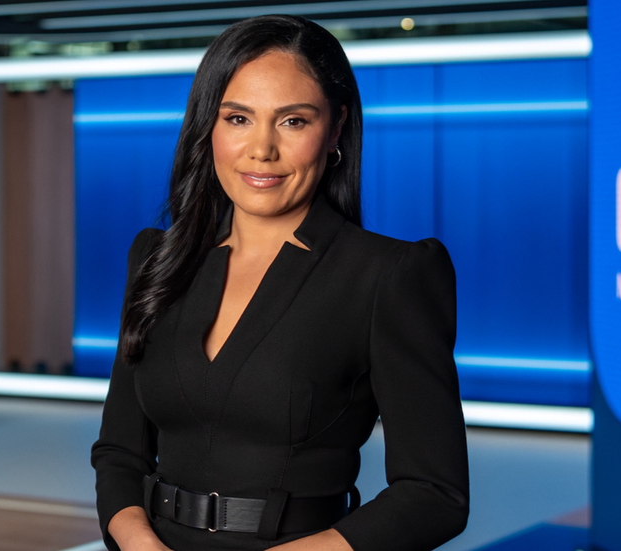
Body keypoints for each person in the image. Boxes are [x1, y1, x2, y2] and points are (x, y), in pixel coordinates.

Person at [91, 14, 469, 551]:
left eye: (292, 121)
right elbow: (119, 452)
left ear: (335, 128)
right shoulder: (156, 257)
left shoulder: (388, 275)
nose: (261, 149)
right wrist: (140, 544)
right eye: (238, 118)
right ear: (208, 127)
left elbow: (435, 494)